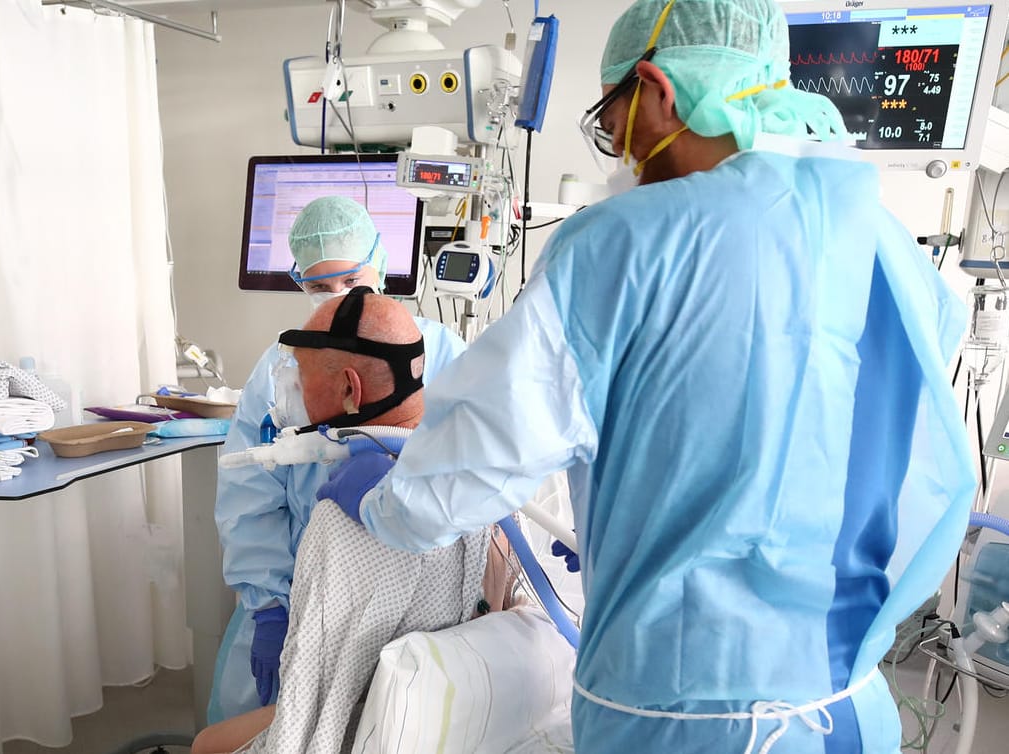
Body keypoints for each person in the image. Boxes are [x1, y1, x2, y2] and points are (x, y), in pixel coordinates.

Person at [319, 0, 977, 752]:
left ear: (658, 91)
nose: (618, 151)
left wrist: (380, 505)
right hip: (849, 708)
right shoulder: (885, 240)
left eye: (611, 120)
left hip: (685, 720)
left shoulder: (622, 243)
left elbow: (462, 475)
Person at [195, 290, 514, 754]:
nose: (288, 393)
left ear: (349, 389)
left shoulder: (341, 522)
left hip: (366, 724)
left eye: (298, 377)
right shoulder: (478, 490)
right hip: (453, 717)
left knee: (207, 745)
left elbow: (311, 704)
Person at [210, 196, 466, 721]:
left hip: (413, 603)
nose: (338, 298)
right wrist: (270, 609)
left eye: (351, 282)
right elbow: (249, 499)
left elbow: (482, 481)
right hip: (298, 594)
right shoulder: (281, 369)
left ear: (380, 263)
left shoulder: (442, 355)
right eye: (320, 287)